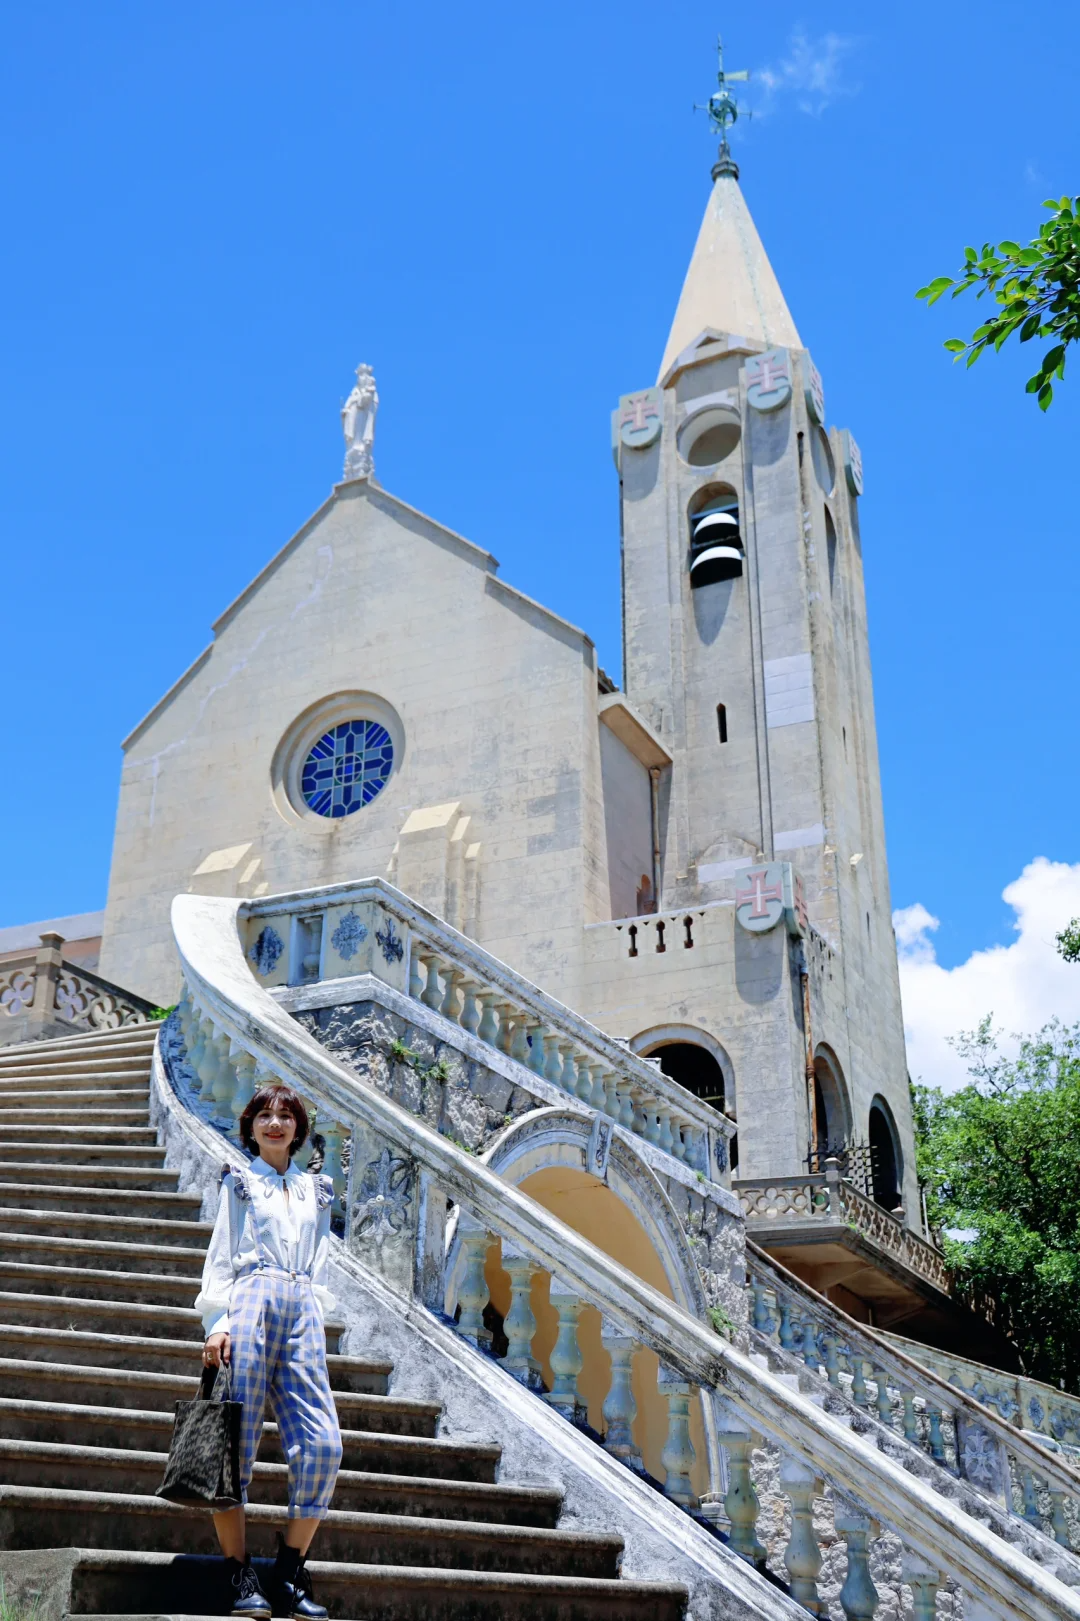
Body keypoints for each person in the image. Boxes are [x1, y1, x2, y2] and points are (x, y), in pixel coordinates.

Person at [196, 1084, 343, 1619]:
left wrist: (314, 1319)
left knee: (324, 1445)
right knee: (234, 1444)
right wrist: (217, 1324)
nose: (274, 1123)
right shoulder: (239, 1182)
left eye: (285, 1115)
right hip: (250, 1302)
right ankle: (239, 1574)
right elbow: (222, 1253)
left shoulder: (317, 1190)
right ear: (251, 1126)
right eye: (264, 1114)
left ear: (298, 1127)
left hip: (302, 1308)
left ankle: (288, 1570)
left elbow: (320, 1262)